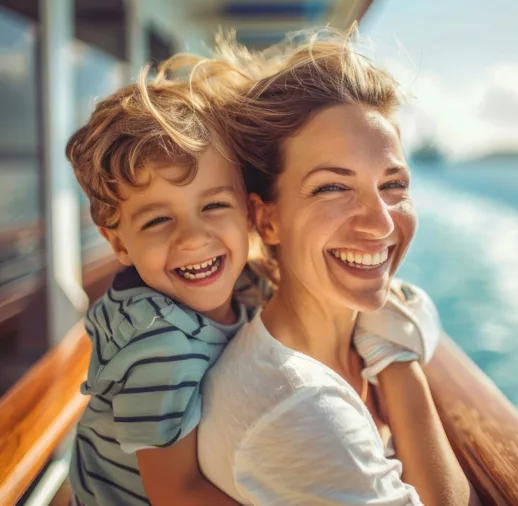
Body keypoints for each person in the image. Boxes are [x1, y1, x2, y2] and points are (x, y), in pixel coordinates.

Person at [64, 58, 433, 505]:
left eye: (214, 206)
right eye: (159, 219)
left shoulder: (243, 287)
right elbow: (173, 492)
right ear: (118, 244)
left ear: (247, 212)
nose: (194, 238)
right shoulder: (159, 346)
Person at [194, 30, 480, 505]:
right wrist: (398, 363)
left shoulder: (347, 342)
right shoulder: (294, 405)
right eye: (332, 188)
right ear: (267, 218)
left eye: (393, 184)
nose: (381, 222)